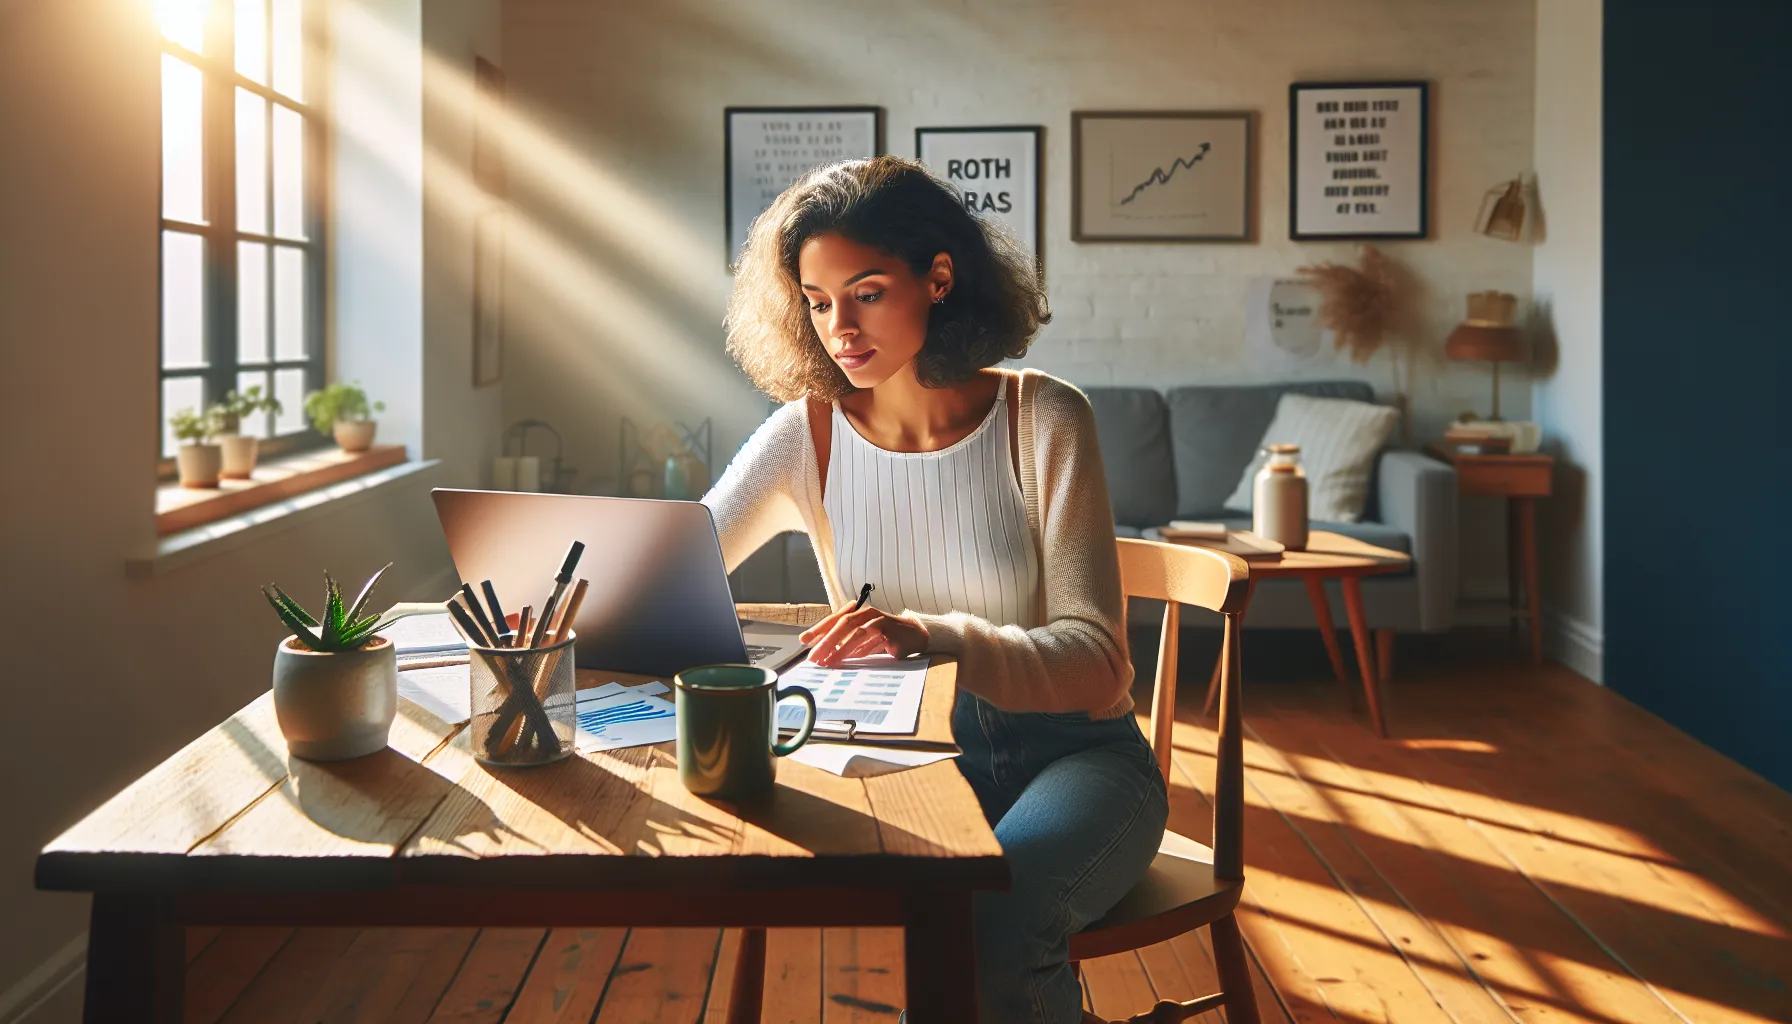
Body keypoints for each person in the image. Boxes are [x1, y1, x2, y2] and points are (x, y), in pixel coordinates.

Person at [703, 155, 1167, 1024]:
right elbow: (683, 564)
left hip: (1078, 759)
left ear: (940, 278)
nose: (838, 326)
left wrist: (932, 637)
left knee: (990, 915)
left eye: (867, 291)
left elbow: (1100, 663)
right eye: (816, 299)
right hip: (908, 760)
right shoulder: (806, 433)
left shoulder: (1045, 418)